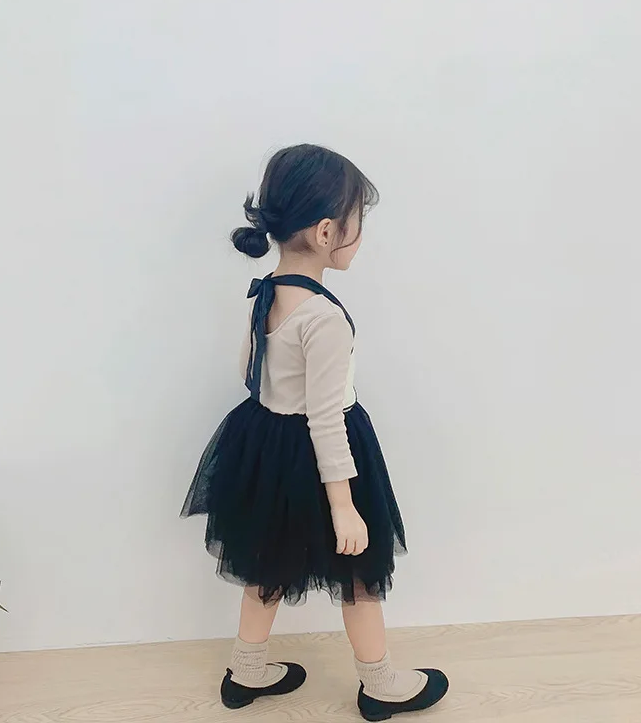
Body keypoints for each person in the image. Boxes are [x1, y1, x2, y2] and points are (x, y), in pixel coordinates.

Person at [182, 144, 448, 721]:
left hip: (267, 446)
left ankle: (246, 670)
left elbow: (249, 370)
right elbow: (326, 419)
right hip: (323, 459)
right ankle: (381, 683)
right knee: (360, 574)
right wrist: (344, 506)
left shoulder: (266, 291)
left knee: (266, 565)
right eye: (358, 223)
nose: (361, 236)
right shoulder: (324, 318)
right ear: (328, 232)